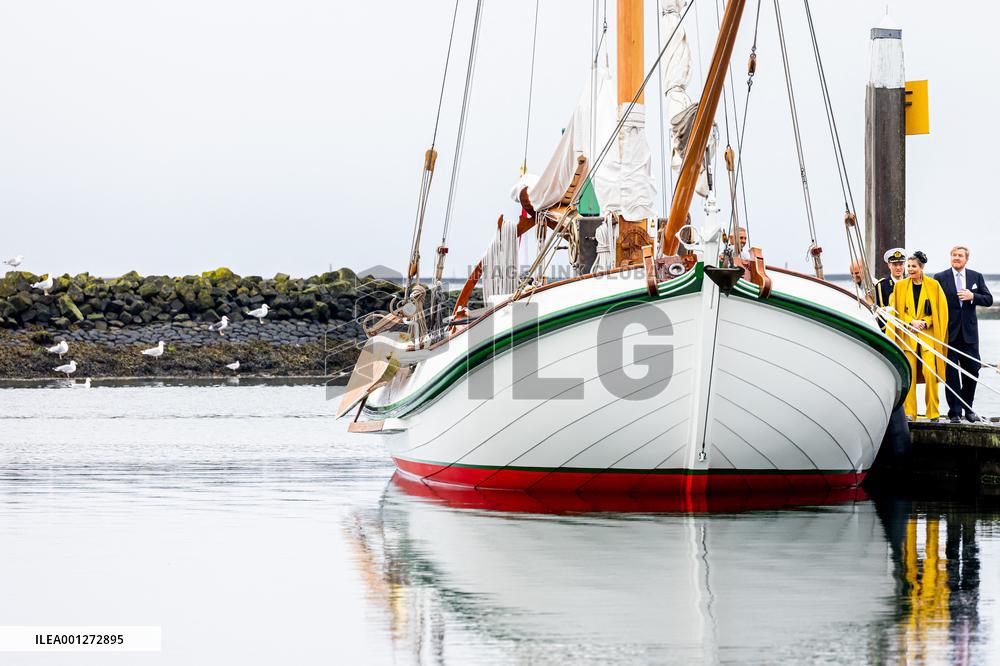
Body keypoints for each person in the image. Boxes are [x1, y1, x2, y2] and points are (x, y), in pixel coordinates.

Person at [933, 246, 994, 423]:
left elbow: (988, 300)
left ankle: (968, 408)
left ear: (966, 259)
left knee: (973, 370)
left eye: (960, 255)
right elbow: (933, 303)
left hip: (970, 334)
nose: (956, 258)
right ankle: (954, 413)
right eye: (954, 255)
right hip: (948, 334)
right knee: (951, 375)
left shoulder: (976, 276)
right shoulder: (940, 277)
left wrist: (972, 296)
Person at [887, 251, 949, 421]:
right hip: (907, 337)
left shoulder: (934, 286)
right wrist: (911, 322)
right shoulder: (900, 287)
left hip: (928, 337)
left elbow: (941, 312)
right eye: (908, 266)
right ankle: (910, 413)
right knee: (910, 375)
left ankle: (933, 413)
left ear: (921, 268)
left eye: (913, 266)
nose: (910, 269)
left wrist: (925, 322)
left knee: (930, 373)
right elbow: (895, 312)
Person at [874, 248, 907, 330]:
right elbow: (878, 312)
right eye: (895, 265)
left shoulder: (910, 283)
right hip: (890, 329)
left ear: (904, 265)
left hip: (908, 328)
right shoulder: (881, 285)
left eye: (901, 264)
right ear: (889, 265)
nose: (898, 268)